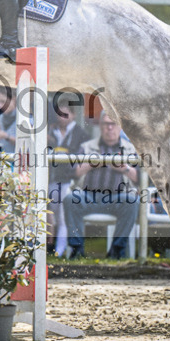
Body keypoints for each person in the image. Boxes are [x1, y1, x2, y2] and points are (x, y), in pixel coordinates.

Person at [63, 112, 140, 259]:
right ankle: (77, 249)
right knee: (70, 199)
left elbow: (141, 179)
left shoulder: (130, 149)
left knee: (132, 202)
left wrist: (124, 168)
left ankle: (117, 250)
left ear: (120, 127)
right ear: (100, 126)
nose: (109, 128)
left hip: (117, 198)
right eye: (106, 124)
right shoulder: (86, 147)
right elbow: (73, 173)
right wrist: (89, 165)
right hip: (88, 196)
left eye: (113, 124)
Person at [48, 101, 89, 257]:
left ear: (73, 115)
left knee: (64, 216)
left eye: (65, 114)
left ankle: (62, 250)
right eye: (59, 114)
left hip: (70, 181)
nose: (62, 118)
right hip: (52, 178)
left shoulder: (81, 134)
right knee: (50, 215)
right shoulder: (51, 131)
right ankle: (50, 249)